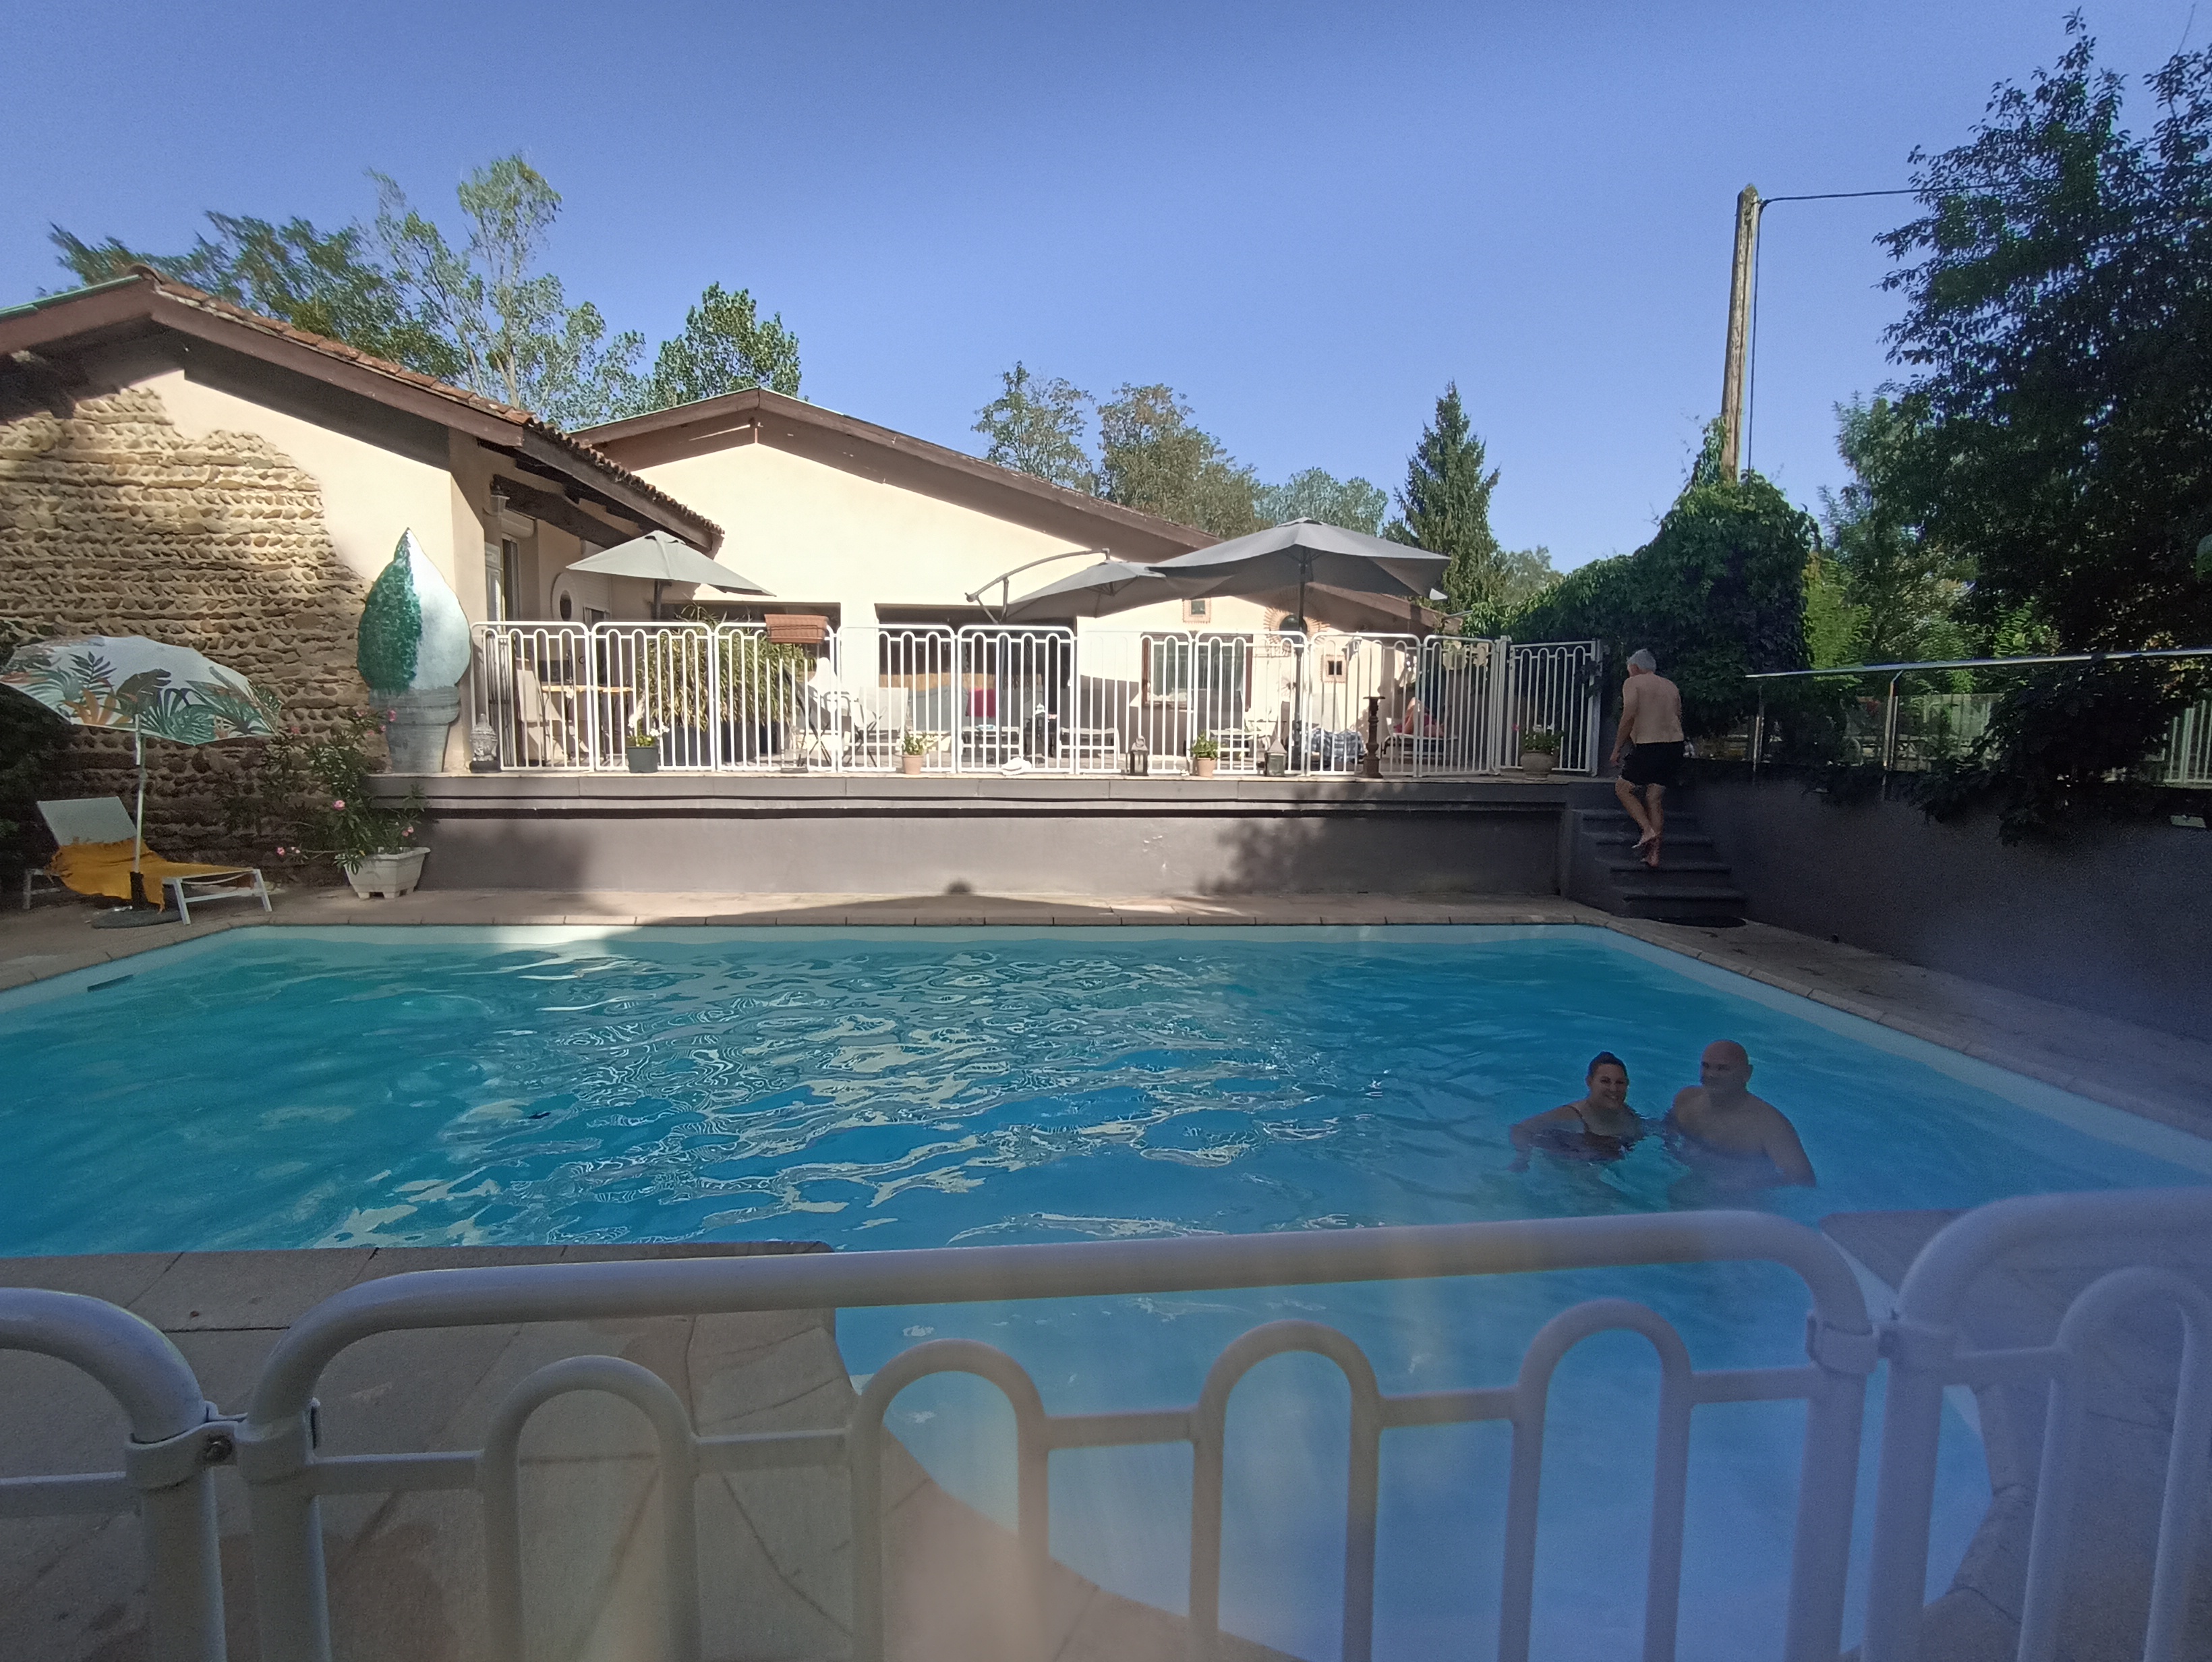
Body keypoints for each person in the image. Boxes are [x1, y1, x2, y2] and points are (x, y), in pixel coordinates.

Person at [1662, 1041, 1816, 1188]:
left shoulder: (1770, 1125)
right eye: (1706, 1066)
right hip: (1690, 1177)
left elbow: (1803, 1179)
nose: (1712, 1075)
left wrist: (1745, 1185)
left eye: (1723, 1069)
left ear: (1747, 1074)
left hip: (1738, 1196)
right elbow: (1668, 1128)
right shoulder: (1686, 1099)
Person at [1609, 648, 1685, 869]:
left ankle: (1647, 830)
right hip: (1675, 747)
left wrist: (1617, 748)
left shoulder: (1633, 683)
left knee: (1623, 789)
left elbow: (1629, 714)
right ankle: (1654, 855)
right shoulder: (1671, 686)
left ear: (1634, 667)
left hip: (1650, 746)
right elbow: (1678, 716)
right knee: (1654, 797)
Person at [1510, 1052, 1647, 1166]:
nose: (1614, 1089)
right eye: (1605, 1081)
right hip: (1567, 1166)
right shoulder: (1571, 1115)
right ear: (1589, 1082)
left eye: (1620, 1083)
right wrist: (1522, 1159)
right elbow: (1521, 1129)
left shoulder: (1627, 1113)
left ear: (1627, 1084)